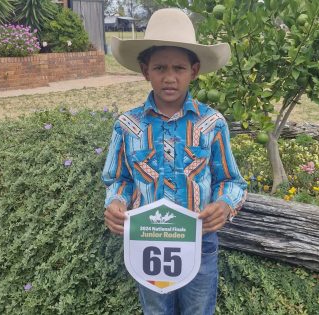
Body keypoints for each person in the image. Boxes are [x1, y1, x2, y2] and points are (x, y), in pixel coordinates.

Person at [101, 8, 247, 315]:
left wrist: (224, 205)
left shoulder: (212, 123)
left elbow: (231, 181)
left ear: (194, 70)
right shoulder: (127, 125)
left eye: (179, 68)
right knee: (156, 311)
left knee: (198, 310)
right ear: (145, 70)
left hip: (200, 242)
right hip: (146, 242)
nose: (170, 77)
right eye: (160, 68)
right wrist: (116, 203)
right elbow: (120, 179)